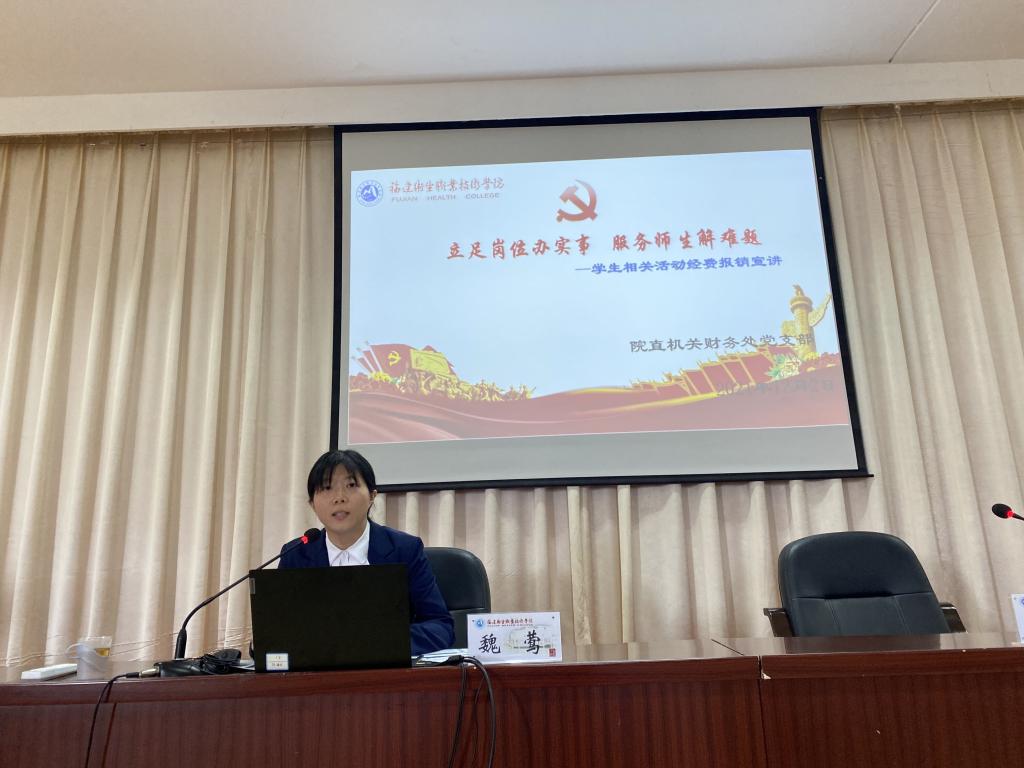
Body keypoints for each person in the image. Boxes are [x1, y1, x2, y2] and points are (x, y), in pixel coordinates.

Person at [278, 449, 455, 655]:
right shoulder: (295, 555)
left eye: (351, 485)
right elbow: (278, 631)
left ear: (372, 495)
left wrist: (376, 640)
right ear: (312, 504)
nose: (339, 498)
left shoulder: (404, 550)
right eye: (326, 488)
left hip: (386, 671)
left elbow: (440, 627)